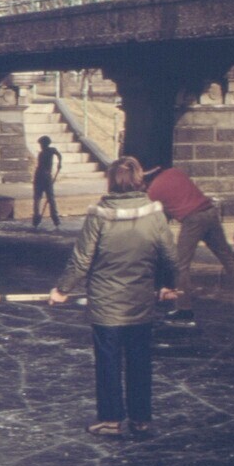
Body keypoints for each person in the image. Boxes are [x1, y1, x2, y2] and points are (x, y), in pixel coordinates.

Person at [49, 157, 179, 439]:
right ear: (138, 180)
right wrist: (168, 285)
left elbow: (82, 260)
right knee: (139, 361)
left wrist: (62, 290)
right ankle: (141, 418)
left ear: (111, 181)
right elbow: (171, 256)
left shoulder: (99, 215)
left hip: (107, 306)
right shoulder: (155, 214)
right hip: (141, 304)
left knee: (108, 362)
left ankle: (110, 419)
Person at [147, 166, 234, 326]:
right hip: (210, 212)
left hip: (192, 220)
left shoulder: (153, 191)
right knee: (227, 257)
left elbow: (157, 217)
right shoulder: (175, 172)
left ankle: (184, 309)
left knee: (180, 266)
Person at [32, 135, 62, 229]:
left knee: (43, 198)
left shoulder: (48, 151)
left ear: (45, 144)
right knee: (44, 198)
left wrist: (59, 163)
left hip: (42, 177)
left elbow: (58, 155)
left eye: (41, 144)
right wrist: (59, 163)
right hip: (43, 177)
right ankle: (42, 218)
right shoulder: (46, 152)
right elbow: (58, 155)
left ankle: (51, 219)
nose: (41, 146)